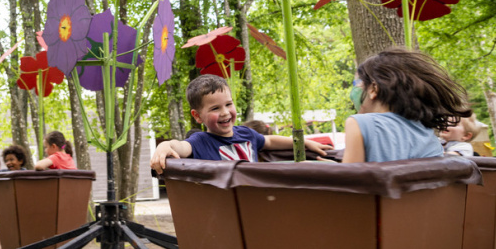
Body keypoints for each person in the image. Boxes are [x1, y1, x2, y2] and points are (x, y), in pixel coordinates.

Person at [151, 75, 330, 173]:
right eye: (215, 108)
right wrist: (165, 146)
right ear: (197, 116)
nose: (225, 112)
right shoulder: (200, 141)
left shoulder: (246, 134)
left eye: (228, 104)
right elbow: (180, 146)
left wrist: (304, 142)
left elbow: (269, 142)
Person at [343, 48, 471, 163]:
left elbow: (349, 183)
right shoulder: (428, 133)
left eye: (357, 83)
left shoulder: (359, 124)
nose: (355, 89)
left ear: (374, 88)